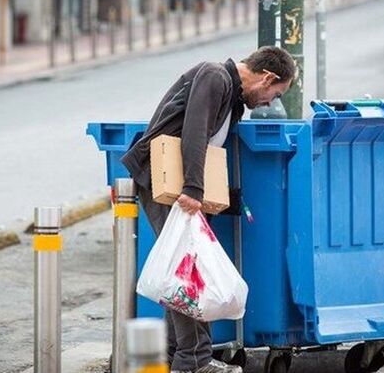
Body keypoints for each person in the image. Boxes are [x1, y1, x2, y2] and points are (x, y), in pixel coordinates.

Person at [121, 46, 296, 373]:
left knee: (181, 271)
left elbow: (209, 142)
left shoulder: (233, 97)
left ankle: (177, 358)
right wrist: (193, 188)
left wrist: (219, 195)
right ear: (267, 77)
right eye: (276, 93)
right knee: (188, 273)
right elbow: (195, 130)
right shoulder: (215, 76)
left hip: (177, 184)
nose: (271, 101)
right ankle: (195, 362)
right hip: (165, 182)